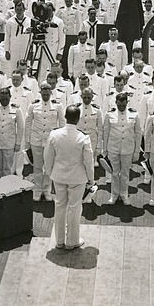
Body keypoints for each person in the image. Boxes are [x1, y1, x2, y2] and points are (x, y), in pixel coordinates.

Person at [43, 104, 94, 250]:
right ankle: (72, 241)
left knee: (59, 207)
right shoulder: (83, 138)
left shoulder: (54, 135)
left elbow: (48, 157)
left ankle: (59, 241)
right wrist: (91, 179)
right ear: (78, 119)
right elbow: (88, 161)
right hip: (77, 178)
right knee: (74, 208)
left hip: (58, 176)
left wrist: (50, 173)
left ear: (65, 117)